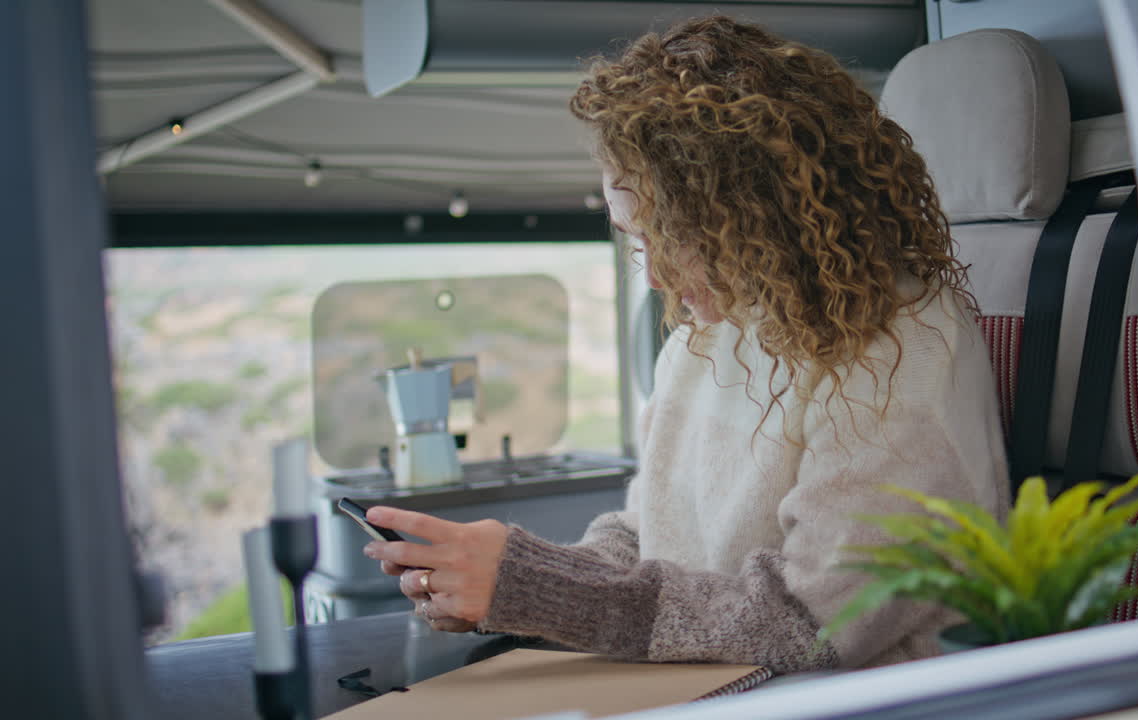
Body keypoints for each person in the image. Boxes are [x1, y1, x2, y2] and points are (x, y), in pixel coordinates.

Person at [361, 15, 1009, 674]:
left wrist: (546, 593)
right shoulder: (712, 334)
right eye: (639, 242)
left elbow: (812, 625)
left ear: (757, 215)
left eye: (677, 239)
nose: (660, 277)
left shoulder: (902, 349)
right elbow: (647, 537)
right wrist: (501, 585)